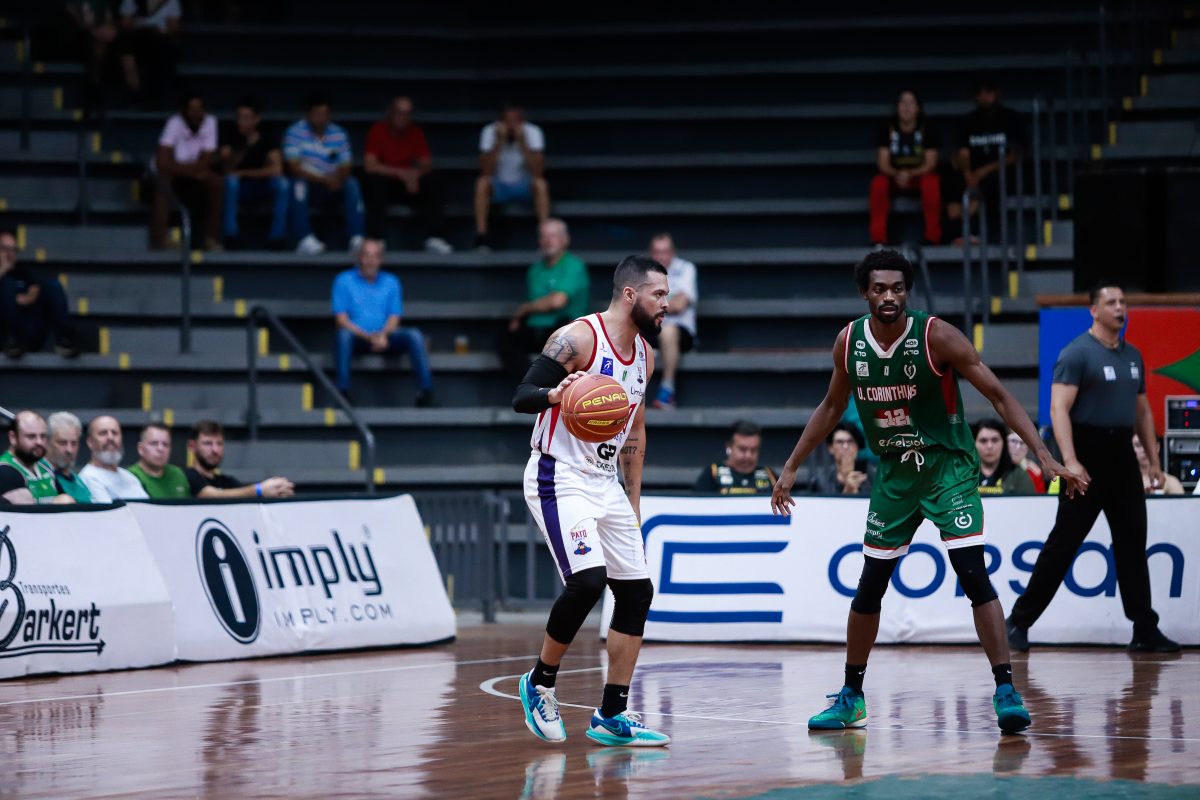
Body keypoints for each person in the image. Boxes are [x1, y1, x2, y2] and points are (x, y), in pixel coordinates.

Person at [770, 249, 1085, 734]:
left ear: (907, 292)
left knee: (973, 575)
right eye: (880, 289)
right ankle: (852, 696)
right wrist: (791, 466)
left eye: (897, 289)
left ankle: (1006, 689)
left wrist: (1044, 455)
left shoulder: (937, 336)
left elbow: (998, 395)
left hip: (947, 467)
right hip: (896, 472)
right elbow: (831, 406)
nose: (889, 296)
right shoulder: (849, 342)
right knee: (870, 585)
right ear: (865, 293)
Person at [510, 254, 670, 747]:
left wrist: (634, 499)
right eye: (659, 295)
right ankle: (540, 682)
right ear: (630, 294)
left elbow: (636, 431)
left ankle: (611, 714)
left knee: (637, 592)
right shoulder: (578, 338)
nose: (666, 304)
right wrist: (555, 394)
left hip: (606, 482)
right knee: (587, 581)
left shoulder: (645, 356)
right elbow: (521, 395)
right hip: (558, 473)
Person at [1007, 284, 1181, 653]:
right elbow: (1058, 409)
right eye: (1111, 302)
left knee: (1132, 544)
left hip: (1122, 456)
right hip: (1086, 454)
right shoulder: (1077, 353)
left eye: (1123, 302)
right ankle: (1018, 622)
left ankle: (1144, 629)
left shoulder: (1132, 355)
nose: (1120, 308)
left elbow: (1142, 411)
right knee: (1063, 544)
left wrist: (1153, 460)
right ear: (1094, 310)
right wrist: (1070, 460)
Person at [333, 238, 435, 406]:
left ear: (381, 260)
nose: (370, 261)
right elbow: (341, 320)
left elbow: (394, 318)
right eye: (366, 255)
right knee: (343, 335)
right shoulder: (343, 280)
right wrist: (368, 336)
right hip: (358, 338)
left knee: (414, 335)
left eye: (375, 256)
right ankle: (342, 394)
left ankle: (425, 393)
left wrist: (383, 335)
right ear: (359, 257)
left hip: (385, 337)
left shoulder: (391, 282)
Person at [496, 219, 590, 384]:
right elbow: (541, 302)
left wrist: (524, 309)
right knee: (504, 338)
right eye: (543, 236)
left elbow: (557, 302)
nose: (547, 241)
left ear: (565, 240)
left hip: (563, 328)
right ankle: (531, 385)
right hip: (538, 329)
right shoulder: (535, 270)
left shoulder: (574, 266)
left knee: (565, 334)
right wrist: (521, 316)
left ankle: (542, 385)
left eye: (553, 236)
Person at [363, 96, 453, 254]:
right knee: (375, 181)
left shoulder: (415, 132)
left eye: (407, 113)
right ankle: (377, 239)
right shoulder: (378, 130)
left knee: (435, 179)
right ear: (390, 113)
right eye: (399, 112)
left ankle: (434, 238)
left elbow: (426, 163)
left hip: (409, 186)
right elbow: (370, 165)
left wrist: (414, 175)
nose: (403, 117)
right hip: (387, 185)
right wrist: (400, 173)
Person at [285, 93, 364, 255]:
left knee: (352, 183)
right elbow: (294, 167)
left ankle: (357, 238)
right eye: (317, 114)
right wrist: (324, 179)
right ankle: (305, 239)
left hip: (332, 187)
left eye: (325, 114)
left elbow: (346, 166)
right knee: (298, 184)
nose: (321, 118)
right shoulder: (295, 132)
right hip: (310, 186)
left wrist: (337, 178)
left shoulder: (339, 133)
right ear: (308, 114)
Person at [946, 80, 1023, 239]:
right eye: (980, 94)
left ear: (996, 94)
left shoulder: (1011, 118)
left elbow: (1015, 155)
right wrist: (968, 174)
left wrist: (982, 172)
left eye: (988, 93)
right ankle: (953, 234)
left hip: (999, 171)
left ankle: (980, 233)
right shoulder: (968, 121)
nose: (985, 97)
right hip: (973, 173)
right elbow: (962, 153)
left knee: (991, 183)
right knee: (952, 178)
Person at [869, 89, 941, 246]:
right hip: (894, 177)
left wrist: (910, 173)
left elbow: (931, 163)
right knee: (878, 183)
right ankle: (878, 238)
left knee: (931, 182)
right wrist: (897, 174)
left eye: (911, 103)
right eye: (903, 102)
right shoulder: (887, 129)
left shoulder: (927, 129)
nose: (906, 107)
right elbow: (882, 163)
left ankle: (932, 236)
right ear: (897, 107)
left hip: (918, 177)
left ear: (918, 108)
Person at [151, 92, 221, 250]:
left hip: (189, 175)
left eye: (200, 109)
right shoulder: (174, 123)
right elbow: (163, 163)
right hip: (169, 175)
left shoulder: (210, 122)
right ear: (184, 112)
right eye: (192, 109)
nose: (196, 114)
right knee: (163, 182)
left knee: (216, 182)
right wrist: (192, 171)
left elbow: (205, 161)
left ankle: (211, 238)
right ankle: (160, 240)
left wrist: (186, 169)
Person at [474, 104, 549, 250]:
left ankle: (545, 236)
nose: (512, 126)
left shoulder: (532, 131)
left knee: (541, 184)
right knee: (481, 183)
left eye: (516, 121)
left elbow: (538, 172)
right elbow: (486, 172)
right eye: (508, 121)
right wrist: (499, 143)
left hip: (524, 185)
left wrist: (523, 143)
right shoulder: (490, 131)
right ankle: (482, 235)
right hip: (499, 186)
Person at [220, 97, 288, 249]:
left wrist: (245, 173)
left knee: (282, 184)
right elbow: (227, 170)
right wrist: (241, 148)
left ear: (256, 119)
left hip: (262, 186)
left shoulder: (268, 137)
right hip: (240, 189)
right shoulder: (230, 136)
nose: (241, 122)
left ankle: (277, 237)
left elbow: (277, 169)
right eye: (239, 117)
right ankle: (231, 235)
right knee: (231, 181)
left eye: (246, 118)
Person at [0, 229, 79, 359]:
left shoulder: (22, 274)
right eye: (4, 249)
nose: (9, 254)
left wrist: (25, 298)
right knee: (7, 284)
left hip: (26, 330)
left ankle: (65, 339)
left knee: (53, 285)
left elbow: (34, 291)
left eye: (13, 250)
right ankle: (11, 339)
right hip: (4, 333)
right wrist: (2, 271)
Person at [648, 233, 697, 410]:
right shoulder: (644, 271)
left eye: (665, 251)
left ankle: (667, 390)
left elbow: (680, 305)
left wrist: (651, 301)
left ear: (673, 252)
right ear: (651, 253)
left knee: (668, 330)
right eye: (657, 252)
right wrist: (670, 300)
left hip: (681, 332)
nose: (661, 256)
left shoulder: (686, 268)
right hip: (650, 327)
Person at [185, 419, 295, 499]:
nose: (215, 450)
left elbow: (245, 494)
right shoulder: (185, 476)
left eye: (219, 443)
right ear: (192, 446)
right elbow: (210, 495)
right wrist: (260, 489)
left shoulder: (228, 481)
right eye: (208, 443)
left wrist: (278, 489)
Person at [115, 0, 180, 108]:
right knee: (127, 46)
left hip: (160, 38)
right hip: (137, 37)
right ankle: (135, 92)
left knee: (157, 44)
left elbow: (174, 26)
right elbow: (125, 23)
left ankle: (153, 96)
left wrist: (161, 31)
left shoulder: (170, 1)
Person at [0, 410, 74, 504]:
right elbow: (26, 511)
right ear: (13, 438)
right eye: (31, 436)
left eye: (43, 436)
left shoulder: (45, 467)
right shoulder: (4, 471)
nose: (39, 442)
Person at [694, 420, 777, 495]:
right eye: (742, 449)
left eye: (754, 450)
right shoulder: (713, 473)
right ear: (729, 447)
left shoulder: (769, 475)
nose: (748, 455)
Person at [79, 415, 149, 500]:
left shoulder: (130, 477)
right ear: (90, 442)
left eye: (115, 433)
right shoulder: (89, 478)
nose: (110, 438)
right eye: (103, 433)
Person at [46, 411, 106, 502]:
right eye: (62, 443)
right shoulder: (41, 479)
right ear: (47, 443)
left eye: (74, 443)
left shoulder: (79, 481)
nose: (69, 450)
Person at [127, 423, 191, 499]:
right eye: (154, 443)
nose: (160, 449)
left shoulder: (177, 474)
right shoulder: (130, 477)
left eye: (165, 444)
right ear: (140, 449)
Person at [808, 422, 874, 496]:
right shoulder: (821, 481)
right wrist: (848, 489)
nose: (846, 446)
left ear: (857, 446)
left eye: (850, 441)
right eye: (840, 442)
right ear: (830, 448)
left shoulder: (873, 477)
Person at [974, 418, 1036, 495]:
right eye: (983, 441)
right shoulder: (964, 475)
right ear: (974, 444)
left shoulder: (1019, 476)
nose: (989, 446)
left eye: (995, 440)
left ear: (1004, 443)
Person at [1006, 427, 1046, 493]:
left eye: (1022, 443)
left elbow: (1039, 498)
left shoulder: (1034, 472)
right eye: (1013, 441)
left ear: (1027, 448)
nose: (1018, 447)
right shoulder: (994, 466)